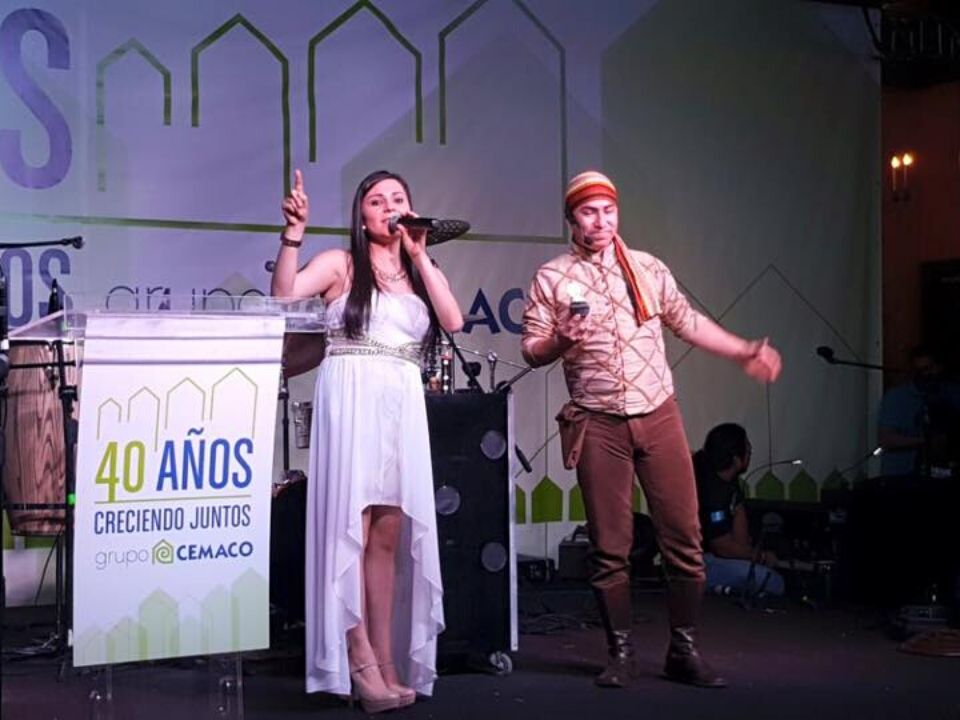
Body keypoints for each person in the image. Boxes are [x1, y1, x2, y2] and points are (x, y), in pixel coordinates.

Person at [521, 170, 782, 689]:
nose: (601, 221)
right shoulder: (552, 277)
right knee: (609, 546)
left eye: (608, 210)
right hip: (597, 420)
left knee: (684, 537)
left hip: (658, 413)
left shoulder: (647, 268)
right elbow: (531, 350)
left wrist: (742, 350)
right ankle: (620, 653)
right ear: (571, 219)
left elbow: (688, 321)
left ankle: (683, 650)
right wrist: (561, 341)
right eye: (589, 212)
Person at [271, 169, 463, 712]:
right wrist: (293, 233)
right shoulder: (341, 264)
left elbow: (453, 319)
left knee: (386, 535)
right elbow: (284, 294)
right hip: (352, 395)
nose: (389, 207)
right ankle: (357, 660)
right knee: (350, 530)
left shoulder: (420, 273)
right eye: (377, 201)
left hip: (400, 401)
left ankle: (385, 656)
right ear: (361, 214)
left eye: (398, 199)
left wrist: (420, 253)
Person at [693, 423, 785, 598]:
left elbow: (740, 541)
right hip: (699, 562)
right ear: (736, 459)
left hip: (715, 559)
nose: (750, 453)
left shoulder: (728, 482)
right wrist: (761, 557)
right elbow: (722, 547)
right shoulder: (711, 489)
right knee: (773, 582)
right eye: (748, 449)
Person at [878, 345, 960, 477]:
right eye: (919, 370)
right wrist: (925, 441)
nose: (925, 375)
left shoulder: (949, 393)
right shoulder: (897, 398)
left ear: (939, 367)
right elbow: (886, 440)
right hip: (901, 477)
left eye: (929, 368)